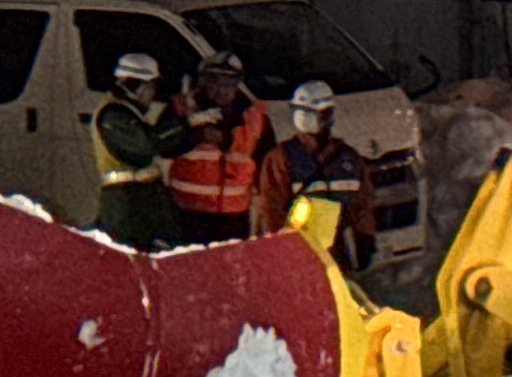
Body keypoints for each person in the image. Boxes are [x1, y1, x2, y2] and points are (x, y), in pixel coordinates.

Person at [265, 80, 377, 269]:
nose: (328, 120)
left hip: (339, 253)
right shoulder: (283, 159)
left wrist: (365, 238)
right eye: (324, 114)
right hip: (297, 256)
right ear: (305, 116)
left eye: (329, 113)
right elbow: (271, 211)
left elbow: (363, 203)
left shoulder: (347, 158)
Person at [164, 57, 271, 246]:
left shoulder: (253, 118)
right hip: (188, 216)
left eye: (227, 82)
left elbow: (267, 168)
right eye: (213, 81)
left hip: (234, 219)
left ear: (237, 83)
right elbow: (164, 146)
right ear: (203, 81)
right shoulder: (183, 109)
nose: (220, 89)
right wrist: (197, 134)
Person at [90, 51, 182, 251]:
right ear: (136, 87)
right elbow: (147, 144)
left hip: (139, 201)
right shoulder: (114, 115)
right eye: (151, 87)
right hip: (125, 204)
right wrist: (184, 121)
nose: (152, 94)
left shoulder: (128, 113)